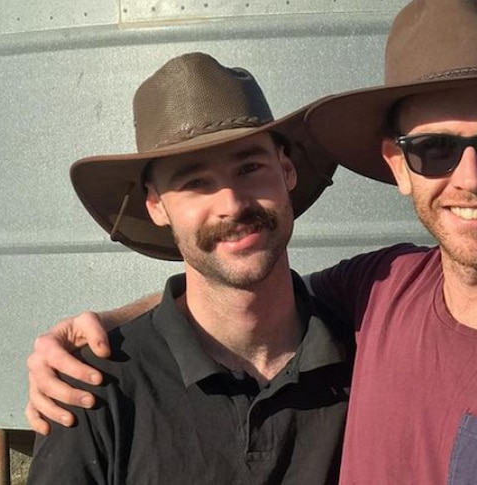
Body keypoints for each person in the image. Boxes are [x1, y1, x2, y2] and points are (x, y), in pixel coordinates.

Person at [26, 1, 477, 483]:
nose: (470, 177)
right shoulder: (381, 296)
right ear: (397, 165)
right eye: (434, 151)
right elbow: (242, 283)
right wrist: (105, 329)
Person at [26, 52, 350, 485]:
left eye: (250, 168)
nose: (232, 204)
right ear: (157, 205)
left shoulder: (369, 353)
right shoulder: (96, 387)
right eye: (196, 183)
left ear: (286, 171)